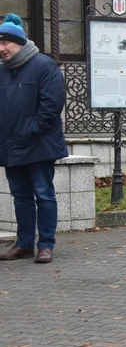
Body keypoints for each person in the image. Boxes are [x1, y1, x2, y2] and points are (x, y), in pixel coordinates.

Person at [0, 14, 66, 264]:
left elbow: (51, 107)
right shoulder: (2, 71)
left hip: (38, 145)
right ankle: (24, 244)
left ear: (19, 42)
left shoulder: (44, 66)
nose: (1, 49)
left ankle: (46, 244)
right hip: (11, 146)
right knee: (21, 197)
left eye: (5, 43)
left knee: (44, 194)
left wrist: (28, 132)